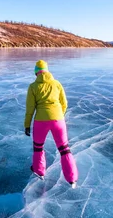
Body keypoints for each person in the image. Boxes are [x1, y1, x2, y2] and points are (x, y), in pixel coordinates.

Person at [24, 60, 78, 188]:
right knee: (64, 149)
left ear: (36, 72)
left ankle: (39, 170)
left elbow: (30, 108)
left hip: (40, 121)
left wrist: (27, 124)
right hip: (58, 120)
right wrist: (59, 116)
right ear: (47, 71)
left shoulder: (33, 87)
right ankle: (72, 178)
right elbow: (64, 103)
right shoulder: (57, 83)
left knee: (38, 147)